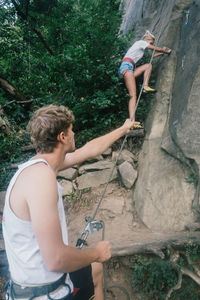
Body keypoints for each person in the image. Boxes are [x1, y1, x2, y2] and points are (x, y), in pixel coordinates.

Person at [2, 104, 137, 300]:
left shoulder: (37, 167)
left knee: (95, 270)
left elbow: (89, 150)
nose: (74, 134)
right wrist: (96, 253)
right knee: (95, 261)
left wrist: (123, 129)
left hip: (37, 284)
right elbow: (56, 259)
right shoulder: (41, 178)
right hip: (44, 293)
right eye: (71, 130)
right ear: (62, 137)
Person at [118, 30, 172, 121]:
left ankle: (145, 87)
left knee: (148, 66)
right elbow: (152, 48)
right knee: (133, 95)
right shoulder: (140, 42)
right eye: (151, 42)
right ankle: (132, 121)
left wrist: (162, 53)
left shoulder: (140, 49)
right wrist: (163, 50)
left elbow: (150, 58)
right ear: (146, 39)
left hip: (130, 68)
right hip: (126, 67)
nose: (151, 44)